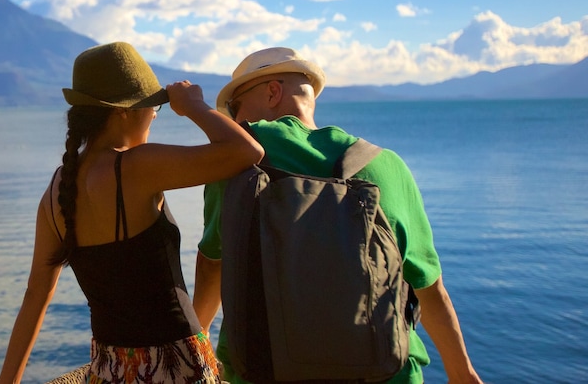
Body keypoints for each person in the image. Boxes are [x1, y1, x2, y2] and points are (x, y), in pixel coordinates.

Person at [192, 47, 483, 384]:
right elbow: (429, 288)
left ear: (273, 92)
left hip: (264, 373)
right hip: (385, 374)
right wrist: (462, 372)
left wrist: (198, 343)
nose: (236, 123)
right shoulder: (385, 165)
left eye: (234, 110)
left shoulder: (236, 164)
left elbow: (212, 263)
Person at [0, 42, 264, 384]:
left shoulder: (56, 190)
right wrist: (193, 106)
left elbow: (36, 296)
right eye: (152, 107)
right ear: (123, 111)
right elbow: (247, 151)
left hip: (110, 369)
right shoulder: (137, 166)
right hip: (175, 365)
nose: (154, 114)